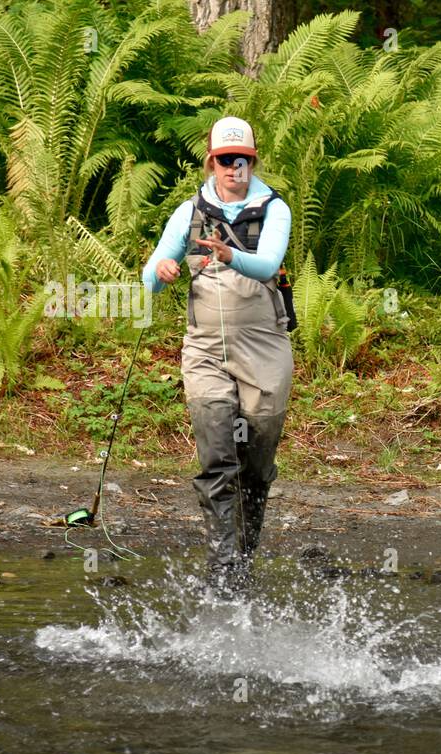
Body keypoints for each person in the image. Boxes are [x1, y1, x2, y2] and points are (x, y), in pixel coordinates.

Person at [142, 116, 293, 588]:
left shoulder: (274, 209)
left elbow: (268, 262)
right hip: (205, 349)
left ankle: (243, 556)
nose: (235, 168)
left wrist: (229, 255)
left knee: (256, 456)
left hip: (264, 347)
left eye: (243, 160)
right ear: (211, 161)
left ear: (253, 160)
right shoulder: (188, 212)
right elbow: (149, 277)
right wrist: (163, 270)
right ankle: (223, 566)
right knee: (217, 452)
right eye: (226, 160)